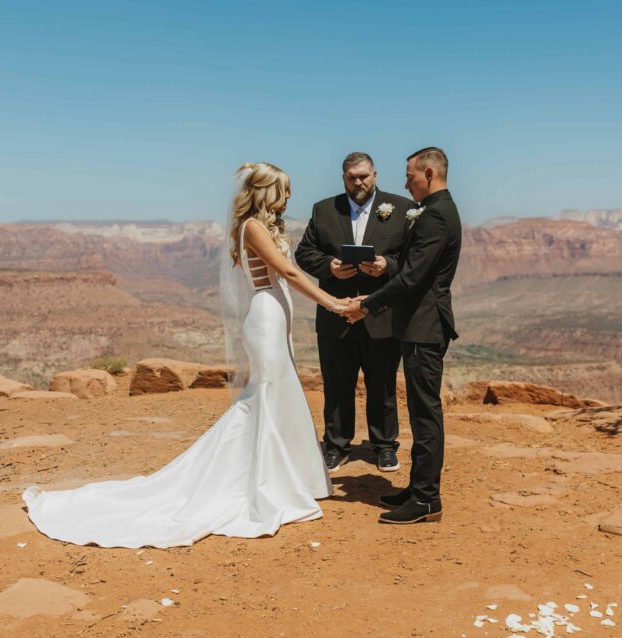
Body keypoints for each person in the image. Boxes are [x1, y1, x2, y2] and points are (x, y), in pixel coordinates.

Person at [23, 162, 346, 548]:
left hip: (278, 316)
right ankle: (263, 483)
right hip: (266, 316)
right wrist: (335, 304)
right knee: (266, 397)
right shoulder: (253, 228)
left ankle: (291, 479)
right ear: (265, 193)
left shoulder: (266, 225)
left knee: (278, 397)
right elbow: (290, 275)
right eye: (284, 190)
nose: (290, 196)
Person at [340, 147, 462, 525]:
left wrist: (366, 306)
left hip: (425, 326)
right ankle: (418, 487)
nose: (406, 181)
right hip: (417, 324)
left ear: (428, 173)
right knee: (420, 412)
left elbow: (412, 278)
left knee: (426, 416)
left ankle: (427, 499)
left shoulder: (437, 215)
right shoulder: (435, 211)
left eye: (410, 175)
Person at [295, 152, 415, 473]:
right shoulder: (324, 210)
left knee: (383, 384)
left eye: (363, 176)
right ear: (343, 178)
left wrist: (386, 265)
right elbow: (304, 253)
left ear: (375, 174)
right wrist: (329, 267)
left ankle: (385, 446)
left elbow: (414, 257)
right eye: (351, 177)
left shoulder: (401, 208)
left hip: (382, 315)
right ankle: (336, 445)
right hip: (336, 314)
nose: (358, 182)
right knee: (336, 385)